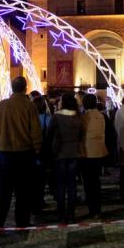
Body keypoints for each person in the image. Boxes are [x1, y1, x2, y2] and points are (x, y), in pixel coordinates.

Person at [0, 76, 42, 228]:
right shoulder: (29, 106)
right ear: (25, 87)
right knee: (23, 192)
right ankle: (22, 221)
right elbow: (36, 131)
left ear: (12, 87)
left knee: (4, 191)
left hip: (5, 153)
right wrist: (37, 149)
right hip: (24, 153)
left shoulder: (3, 105)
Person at [49, 93, 83, 223]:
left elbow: (49, 134)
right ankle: (71, 213)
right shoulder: (78, 116)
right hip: (74, 153)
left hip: (59, 154)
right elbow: (81, 135)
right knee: (72, 185)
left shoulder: (56, 117)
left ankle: (61, 213)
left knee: (60, 185)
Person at [80, 93, 107, 219]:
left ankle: (92, 209)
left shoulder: (84, 117)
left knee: (88, 182)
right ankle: (98, 208)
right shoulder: (101, 116)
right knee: (96, 181)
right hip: (99, 152)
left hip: (86, 153)